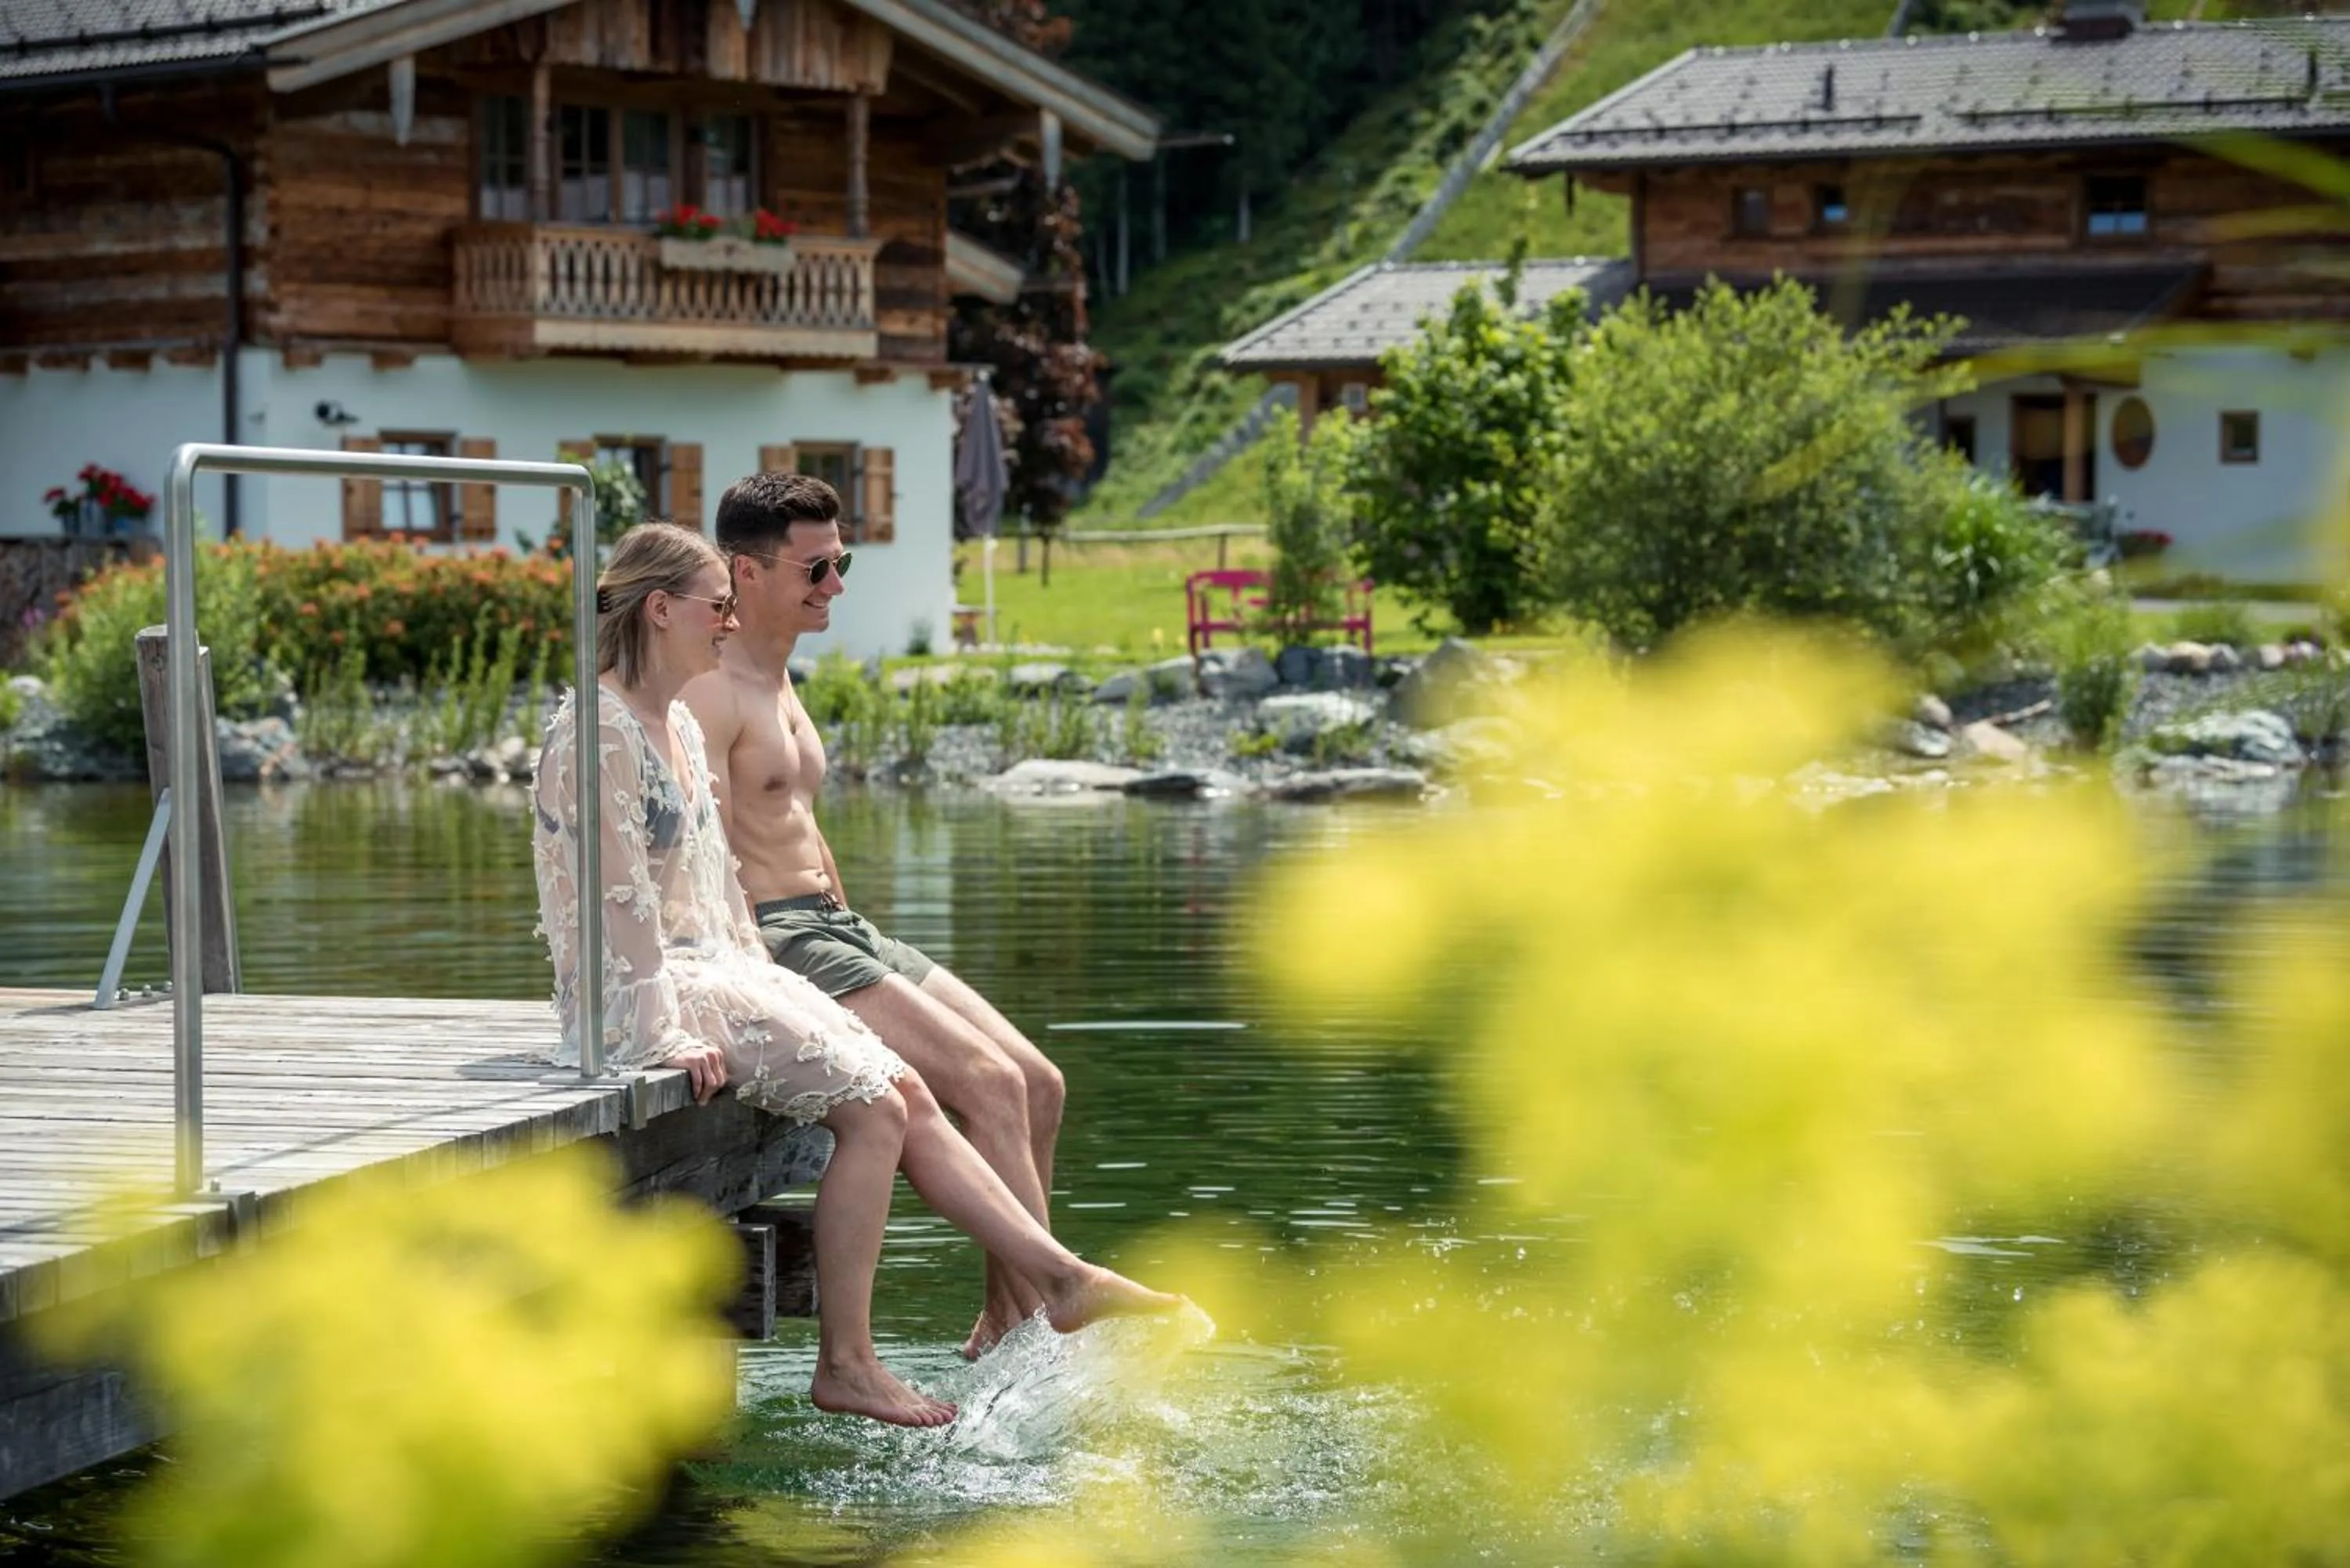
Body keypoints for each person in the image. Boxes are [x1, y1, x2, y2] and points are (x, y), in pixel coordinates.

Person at [531, 521, 1179, 1428]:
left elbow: (717, 887)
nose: (727, 623)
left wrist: (772, 980)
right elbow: (611, 912)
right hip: (643, 995)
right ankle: (850, 1362)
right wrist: (663, 1032)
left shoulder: (672, 720)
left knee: (905, 1086)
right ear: (660, 608)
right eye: (717, 605)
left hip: (720, 964)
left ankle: (1057, 1282)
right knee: (874, 1109)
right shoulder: (594, 734)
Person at [681, 472, 1065, 1361]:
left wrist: (851, 919)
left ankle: (1010, 1321)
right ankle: (1048, 1323)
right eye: (816, 569)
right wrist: (740, 977)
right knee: (994, 1086)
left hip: (835, 923)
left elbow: (798, 821)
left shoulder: (780, 677)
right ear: (745, 571)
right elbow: (692, 850)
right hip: (776, 938)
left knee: (1039, 1083)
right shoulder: (713, 688)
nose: (837, 586)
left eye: (840, 562)